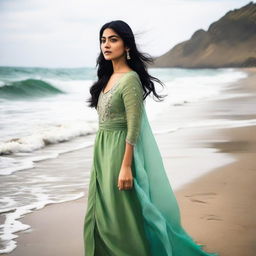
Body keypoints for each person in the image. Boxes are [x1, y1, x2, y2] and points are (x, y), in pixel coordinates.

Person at [83, 20, 219, 256]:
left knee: (120, 212)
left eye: (113, 39)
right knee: (102, 210)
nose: (106, 45)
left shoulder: (130, 79)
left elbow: (133, 126)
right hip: (102, 150)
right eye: (103, 40)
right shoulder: (106, 79)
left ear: (127, 45)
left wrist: (126, 166)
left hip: (119, 152)